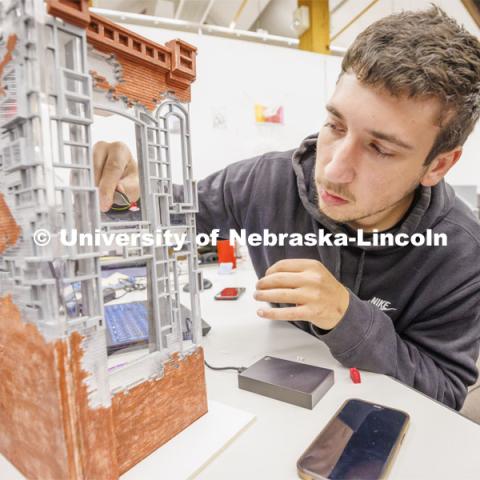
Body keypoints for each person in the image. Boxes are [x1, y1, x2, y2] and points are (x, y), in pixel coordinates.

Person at [93, 7, 480, 410]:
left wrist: (348, 317)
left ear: (437, 165)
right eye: (336, 125)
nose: (333, 169)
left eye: (380, 148)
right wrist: (124, 193)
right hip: (268, 406)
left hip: (376, 426)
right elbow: (174, 216)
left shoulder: (462, 254)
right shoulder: (264, 181)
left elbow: (445, 390)